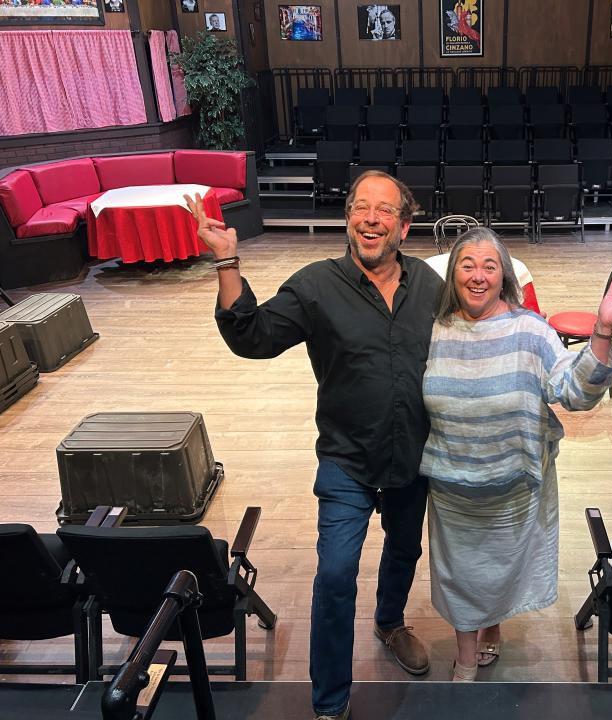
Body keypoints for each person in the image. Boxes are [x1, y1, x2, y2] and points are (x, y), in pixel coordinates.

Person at [184, 170, 443, 720]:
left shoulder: (429, 286)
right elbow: (252, 337)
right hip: (347, 459)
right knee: (334, 574)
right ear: (348, 217)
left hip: (414, 457)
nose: (371, 218)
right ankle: (329, 702)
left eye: (385, 210)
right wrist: (227, 262)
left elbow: (481, 331)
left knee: (403, 550)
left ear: (405, 224)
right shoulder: (316, 285)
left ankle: (390, 621)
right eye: (361, 208)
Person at [420, 229, 612, 681]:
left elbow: (576, 393)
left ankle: (492, 628)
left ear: (504, 274)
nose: (478, 275)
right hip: (451, 488)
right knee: (462, 574)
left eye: (490, 265)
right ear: (453, 274)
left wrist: (603, 330)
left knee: (499, 566)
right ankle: (466, 656)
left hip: (515, 487)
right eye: (467, 264)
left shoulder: (530, 329)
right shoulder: (435, 327)